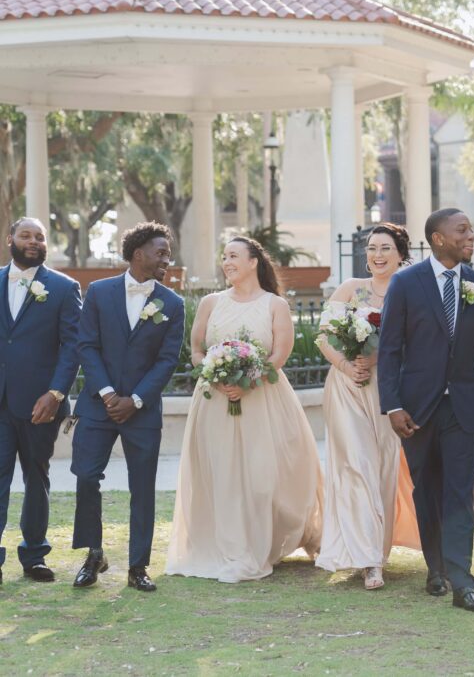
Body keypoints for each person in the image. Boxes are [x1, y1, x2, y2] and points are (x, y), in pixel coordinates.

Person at [377, 208, 474, 613]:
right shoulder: (405, 283)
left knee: (458, 493)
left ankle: (462, 582)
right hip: (416, 409)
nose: (471, 236)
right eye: (462, 230)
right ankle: (434, 567)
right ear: (438, 239)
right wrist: (393, 405)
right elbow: (389, 350)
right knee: (428, 491)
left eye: (471, 229)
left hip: (465, 409)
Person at [166, 237, 322, 583]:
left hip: (264, 399)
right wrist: (215, 374)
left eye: (234, 256)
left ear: (254, 262)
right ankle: (232, 547)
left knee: (264, 475)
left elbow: (280, 354)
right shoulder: (210, 302)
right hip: (215, 401)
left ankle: (273, 537)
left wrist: (249, 381)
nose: (227, 262)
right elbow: (196, 350)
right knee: (221, 473)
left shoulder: (274, 305)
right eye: (224, 257)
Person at [71, 222, 184, 592]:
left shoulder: (173, 303)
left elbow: (167, 362)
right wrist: (106, 394)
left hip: (142, 411)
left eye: (167, 252)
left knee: (143, 487)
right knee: (87, 476)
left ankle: (138, 566)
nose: (167, 258)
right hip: (96, 406)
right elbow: (87, 346)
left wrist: (134, 400)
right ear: (138, 254)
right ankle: (94, 553)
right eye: (161, 252)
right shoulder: (99, 293)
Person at [315, 223, 411, 589]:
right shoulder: (350, 289)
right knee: (357, 464)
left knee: (383, 468)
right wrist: (346, 364)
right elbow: (324, 335)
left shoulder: (409, 291)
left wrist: (378, 361)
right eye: (372, 248)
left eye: (386, 248)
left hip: (389, 390)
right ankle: (368, 561)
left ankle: (376, 551)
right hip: (346, 387)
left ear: (400, 254)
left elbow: (417, 343)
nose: (377, 255)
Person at [0, 218, 81, 585]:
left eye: (40, 236)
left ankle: (34, 556)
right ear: (10, 240)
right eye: (26, 235)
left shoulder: (64, 288)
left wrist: (56, 393)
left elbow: (73, 345)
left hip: (40, 404)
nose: (33, 241)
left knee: (37, 477)